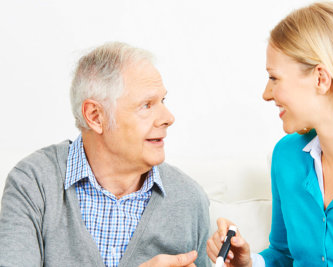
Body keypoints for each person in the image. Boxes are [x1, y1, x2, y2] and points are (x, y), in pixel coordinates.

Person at [207, 2, 333, 266]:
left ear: (321, 79)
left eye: (274, 78)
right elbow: (284, 254)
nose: (266, 94)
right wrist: (248, 263)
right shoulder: (286, 156)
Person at [0, 42, 211, 267]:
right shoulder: (34, 183)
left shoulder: (189, 199)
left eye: (163, 101)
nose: (168, 117)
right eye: (146, 105)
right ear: (95, 116)